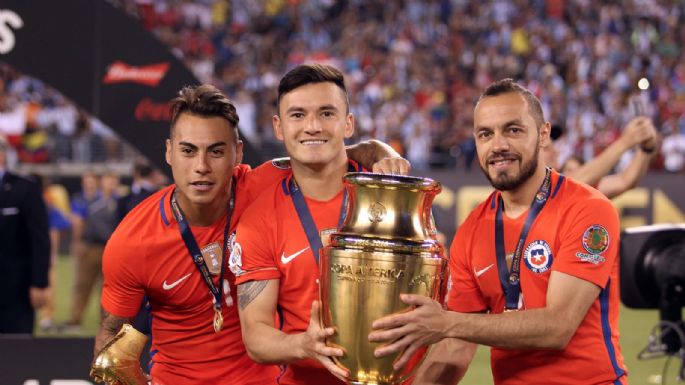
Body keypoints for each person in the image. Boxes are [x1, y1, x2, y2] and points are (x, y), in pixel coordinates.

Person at [95, 83, 407, 385]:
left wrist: (379, 152)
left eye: (216, 151)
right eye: (188, 151)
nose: (201, 166)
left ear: (238, 153)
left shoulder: (265, 186)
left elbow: (337, 152)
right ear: (168, 153)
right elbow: (110, 343)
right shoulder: (133, 241)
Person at [368, 78, 627, 385]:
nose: (498, 145)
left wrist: (447, 322)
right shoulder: (472, 231)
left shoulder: (587, 209)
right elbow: (454, 348)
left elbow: (558, 327)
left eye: (513, 130)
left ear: (543, 134)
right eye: (485, 134)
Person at [231, 63, 409, 385]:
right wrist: (304, 345)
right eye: (297, 115)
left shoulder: (392, 195)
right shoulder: (259, 219)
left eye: (327, 113)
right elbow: (255, 334)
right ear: (278, 127)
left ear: (348, 123)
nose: (312, 126)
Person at [0, 135, 51, 333]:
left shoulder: (25, 189)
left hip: (15, 289)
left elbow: (39, 239)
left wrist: (39, 283)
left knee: (16, 350)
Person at [543, 116, 657, 199]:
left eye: (554, 146)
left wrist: (646, 149)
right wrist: (625, 142)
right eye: (547, 148)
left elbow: (624, 181)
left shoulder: (578, 191)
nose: (556, 152)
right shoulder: (535, 188)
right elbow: (576, 181)